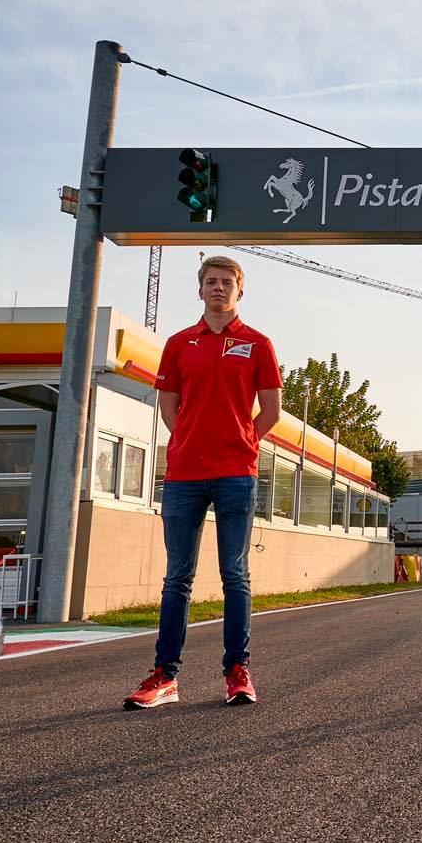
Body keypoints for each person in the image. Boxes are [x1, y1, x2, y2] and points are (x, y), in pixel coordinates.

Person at [125, 255, 283, 709]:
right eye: (210, 281)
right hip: (184, 476)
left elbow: (270, 412)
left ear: (240, 290)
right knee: (178, 577)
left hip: (237, 474)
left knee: (235, 574)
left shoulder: (259, 344)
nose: (218, 288)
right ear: (200, 290)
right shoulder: (178, 344)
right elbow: (169, 407)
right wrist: (193, 442)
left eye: (226, 282)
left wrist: (240, 442)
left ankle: (237, 672)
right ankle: (165, 677)